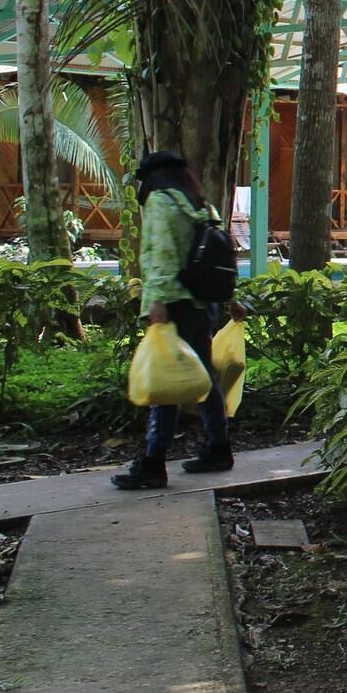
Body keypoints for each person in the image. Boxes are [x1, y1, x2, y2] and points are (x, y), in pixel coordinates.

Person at [112, 151, 233, 489]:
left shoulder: (161, 203)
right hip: (203, 302)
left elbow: (160, 253)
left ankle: (153, 460)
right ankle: (218, 446)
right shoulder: (201, 205)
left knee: (164, 380)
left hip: (174, 302)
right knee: (204, 375)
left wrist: (156, 301)